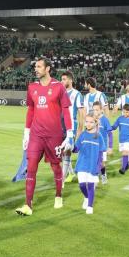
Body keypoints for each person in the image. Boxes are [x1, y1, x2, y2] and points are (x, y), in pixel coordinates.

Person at [16, 57, 73, 216]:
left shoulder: (58, 87)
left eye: (39, 66)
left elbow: (66, 111)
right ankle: (28, 205)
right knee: (31, 167)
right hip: (36, 135)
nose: (36, 69)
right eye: (35, 66)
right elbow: (31, 110)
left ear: (48, 69)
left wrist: (69, 134)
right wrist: (26, 132)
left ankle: (58, 196)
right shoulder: (32, 87)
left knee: (55, 166)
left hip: (54, 136)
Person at [72, 113, 106, 214]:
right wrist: (70, 146)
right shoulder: (82, 135)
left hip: (93, 165)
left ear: (95, 123)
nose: (88, 124)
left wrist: (100, 164)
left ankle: (90, 206)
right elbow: (76, 149)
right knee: (82, 185)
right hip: (82, 164)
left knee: (91, 186)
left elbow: (101, 152)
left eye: (91, 122)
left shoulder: (99, 136)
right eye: (86, 121)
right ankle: (86, 198)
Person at [60, 71, 85, 183]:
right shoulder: (60, 93)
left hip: (71, 126)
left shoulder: (77, 94)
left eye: (64, 79)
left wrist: (80, 129)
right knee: (61, 152)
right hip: (59, 125)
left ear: (70, 80)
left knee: (67, 150)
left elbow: (81, 113)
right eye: (62, 79)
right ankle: (71, 173)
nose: (62, 81)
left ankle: (63, 178)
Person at [111, 103, 129, 174]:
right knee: (123, 153)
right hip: (121, 139)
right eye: (123, 112)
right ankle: (127, 164)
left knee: (125, 152)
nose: (125, 113)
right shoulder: (120, 118)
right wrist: (107, 127)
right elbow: (114, 127)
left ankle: (123, 169)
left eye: (126, 112)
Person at [92, 101, 112, 184]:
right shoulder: (92, 119)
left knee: (102, 163)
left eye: (97, 110)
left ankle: (103, 175)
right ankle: (95, 178)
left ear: (101, 110)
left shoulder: (105, 120)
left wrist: (110, 147)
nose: (95, 112)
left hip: (102, 146)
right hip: (93, 145)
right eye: (94, 110)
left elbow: (110, 134)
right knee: (94, 162)